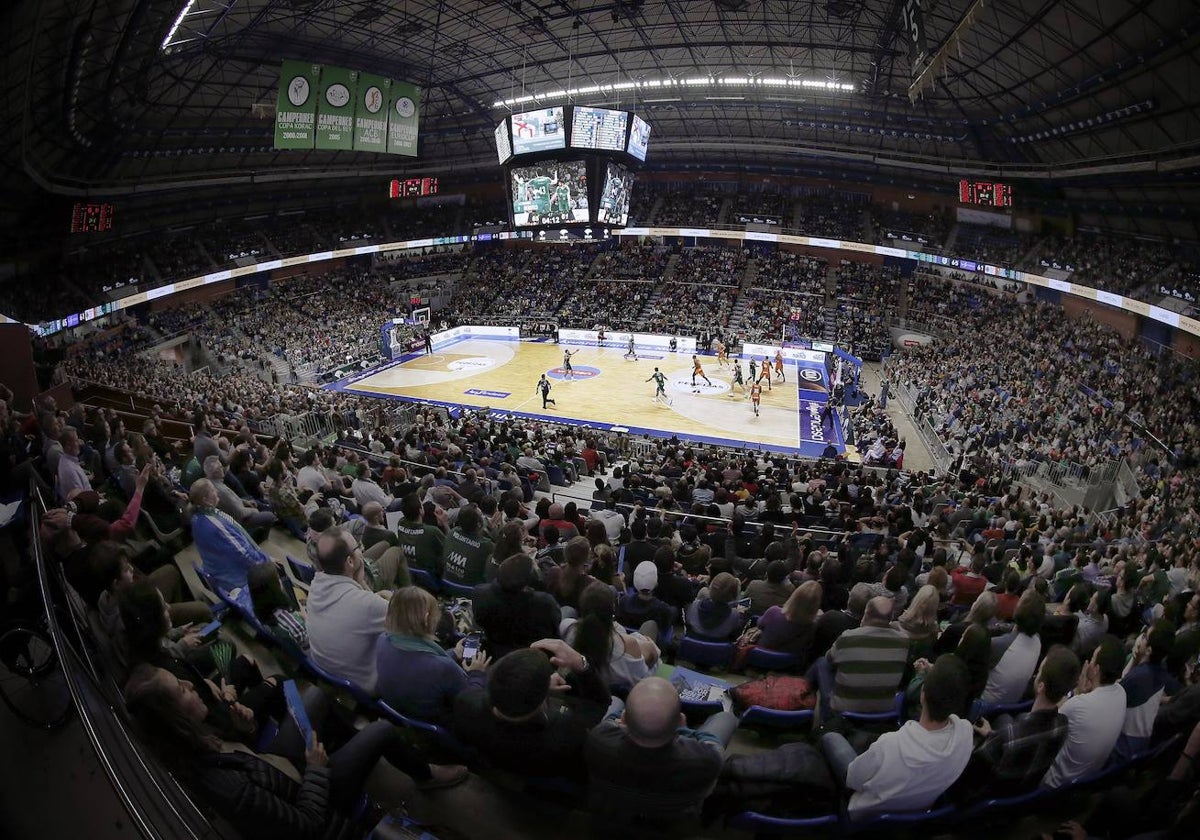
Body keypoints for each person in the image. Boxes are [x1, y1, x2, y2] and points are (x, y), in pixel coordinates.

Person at [124, 664, 466, 839]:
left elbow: (246, 756)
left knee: (313, 696)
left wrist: (248, 729)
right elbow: (304, 827)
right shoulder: (227, 789)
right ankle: (426, 776)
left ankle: (352, 751)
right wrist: (318, 770)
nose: (190, 686)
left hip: (277, 769)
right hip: (311, 797)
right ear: (173, 718)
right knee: (381, 729)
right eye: (180, 689)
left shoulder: (196, 736)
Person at [819, 654, 973, 818]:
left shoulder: (890, 744)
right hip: (917, 810)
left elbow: (853, 780)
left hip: (866, 815)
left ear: (923, 692)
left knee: (830, 737)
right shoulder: (965, 734)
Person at [584, 676, 738, 830]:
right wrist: (684, 732)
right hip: (674, 822)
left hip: (612, 815)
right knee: (726, 718)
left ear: (624, 719)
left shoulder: (598, 738)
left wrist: (624, 724)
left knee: (615, 700)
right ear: (680, 722)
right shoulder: (705, 759)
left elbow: (610, 720)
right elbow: (713, 745)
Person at [454, 638, 610, 780]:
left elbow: (474, 689)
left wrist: (475, 673)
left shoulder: (465, 704)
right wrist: (581, 662)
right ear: (543, 701)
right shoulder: (570, 735)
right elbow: (600, 703)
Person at [951, 645, 1079, 802]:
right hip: (1018, 793)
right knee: (1003, 717)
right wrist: (992, 735)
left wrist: (991, 740)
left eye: (1039, 671)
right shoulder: (1063, 725)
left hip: (987, 799)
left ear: (1041, 686)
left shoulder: (1008, 738)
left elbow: (964, 782)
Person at [375, 587, 488, 725]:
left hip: (399, 716)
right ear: (427, 619)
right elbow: (471, 705)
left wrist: (454, 653)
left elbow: (419, 663)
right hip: (439, 726)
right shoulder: (444, 668)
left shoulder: (382, 640)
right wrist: (476, 673)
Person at [306, 526, 390, 693]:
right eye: (358, 547)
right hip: (368, 687)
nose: (362, 549)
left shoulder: (316, 585)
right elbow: (413, 620)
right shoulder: (369, 604)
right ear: (350, 562)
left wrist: (360, 583)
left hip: (330, 675)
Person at [1041, 635, 1129, 788]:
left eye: (1093, 659)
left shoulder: (1078, 705)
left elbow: (1043, 719)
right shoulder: (1122, 693)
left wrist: (1076, 692)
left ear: (1096, 669)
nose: (1089, 663)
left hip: (1052, 784)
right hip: (1084, 783)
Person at [812, 595, 910, 719]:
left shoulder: (848, 637)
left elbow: (829, 660)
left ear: (866, 613)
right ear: (890, 618)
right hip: (883, 710)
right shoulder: (904, 641)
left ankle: (818, 717)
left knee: (821, 662)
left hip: (843, 711)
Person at [563, 581, 659, 692]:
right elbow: (643, 681)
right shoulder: (628, 644)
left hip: (583, 696)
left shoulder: (568, 629)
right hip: (619, 699)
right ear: (612, 609)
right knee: (650, 627)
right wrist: (653, 651)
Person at [189, 478, 273, 597]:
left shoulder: (196, 517)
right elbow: (243, 553)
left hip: (218, 570)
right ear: (205, 500)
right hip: (234, 579)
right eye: (213, 490)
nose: (216, 492)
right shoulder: (215, 525)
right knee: (275, 571)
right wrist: (267, 561)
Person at [472, 554, 563, 660]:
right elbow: (555, 624)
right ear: (528, 580)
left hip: (493, 652)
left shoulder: (479, 593)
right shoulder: (546, 603)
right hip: (532, 658)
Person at [1114, 620, 1178, 761]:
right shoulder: (1161, 670)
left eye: (1144, 637)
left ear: (1149, 650)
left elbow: (1114, 694)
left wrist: (1133, 661)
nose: (1141, 637)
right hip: (1139, 745)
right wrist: (1136, 659)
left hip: (1121, 747)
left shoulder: (1139, 677)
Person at [981, 590, 1046, 705]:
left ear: (1019, 609)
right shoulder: (1038, 640)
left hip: (984, 703)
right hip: (1012, 703)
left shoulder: (998, 645)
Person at [247, 563, 308, 654]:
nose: (280, 581)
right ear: (274, 589)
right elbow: (310, 642)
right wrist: (306, 618)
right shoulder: (296, 626)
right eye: (278, 579)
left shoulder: (258, 608)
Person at [755, 579, 822, 660]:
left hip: (758, 656)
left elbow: (759, 624)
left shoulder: (773, 611)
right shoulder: (812, 627)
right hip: (784, 665)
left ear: (794, 595)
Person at [616, 562, 676, 645]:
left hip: (625, 643)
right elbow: (665, 629)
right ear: (655, 582)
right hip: (651, 647)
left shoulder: (623, 602)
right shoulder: (662, 609)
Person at [440, 506, 494, 589]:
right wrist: (494, 531)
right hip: (471, 592)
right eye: (481, 516)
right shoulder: (487, 545)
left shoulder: (452, 532)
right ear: (479, 524)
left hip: (447, 586)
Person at [395, 492, 446, 578]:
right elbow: (450, 549)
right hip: (431, 576)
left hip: (409, 570)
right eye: (421, 504)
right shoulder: (432, 531)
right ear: (420, 510)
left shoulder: (401, 523)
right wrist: (445, 524)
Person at [685, 572, 746, 642]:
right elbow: (735, 634)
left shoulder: (693, 606)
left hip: (691, 649)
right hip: (719, 651)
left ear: (710, 587)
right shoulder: (734, 615)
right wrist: (741, 615)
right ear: (734, 595)